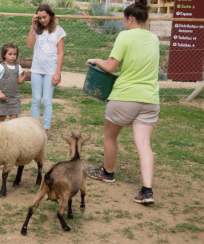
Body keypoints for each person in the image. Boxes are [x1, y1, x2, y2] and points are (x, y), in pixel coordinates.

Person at [85, 0, 159, 205]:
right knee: (144, 144)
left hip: (125, 97)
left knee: (110, 136)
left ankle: (107, 172)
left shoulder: (125, 35)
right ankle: (147, 190)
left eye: (125, 20)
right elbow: (137, 69)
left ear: (131, 19)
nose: (124, 24)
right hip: (150, 99)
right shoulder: (153, 39)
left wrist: (95, 60)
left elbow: (109, 66)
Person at [26, 4, 66, 142]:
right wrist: (32, 25)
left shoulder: (58, 31)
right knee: (36, 100)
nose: (42, 20)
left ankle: (45, 131)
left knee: (47, 101)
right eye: (40, 18)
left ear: (50, 16)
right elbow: (29, 45)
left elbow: (60, 53)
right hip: (36, 69)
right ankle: (33, 130)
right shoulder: (36, 30)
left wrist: (57, 73)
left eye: (45, 17)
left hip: (50, 71)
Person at [0, 43, 29, 122]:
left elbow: (19, 82)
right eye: (10, 54)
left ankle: (11, 134)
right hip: (3, 97)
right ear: (4, 55)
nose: (13, 56)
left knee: (14, 118)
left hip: (14, 97)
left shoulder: (18, 67)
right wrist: (0, 93)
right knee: (2, 117)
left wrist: (24, 77)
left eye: (14, 54)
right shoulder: (0, 67)